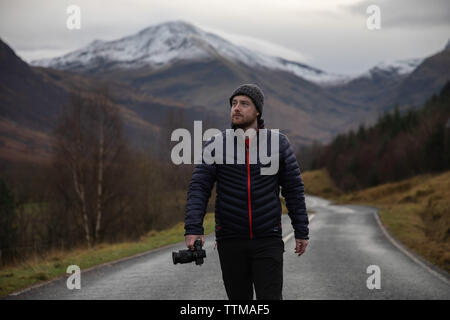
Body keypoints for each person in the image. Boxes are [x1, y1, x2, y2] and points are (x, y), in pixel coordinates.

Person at [184, 83, 309, 300]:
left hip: (267, 239)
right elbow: (199, 187)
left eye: (244, 103)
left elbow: (293, 190)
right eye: (233, 104)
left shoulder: (277, 143)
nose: (237, 108)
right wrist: (193, 228)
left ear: (258, 110)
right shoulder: (216, 144)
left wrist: (301, 230)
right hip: (230, 240)